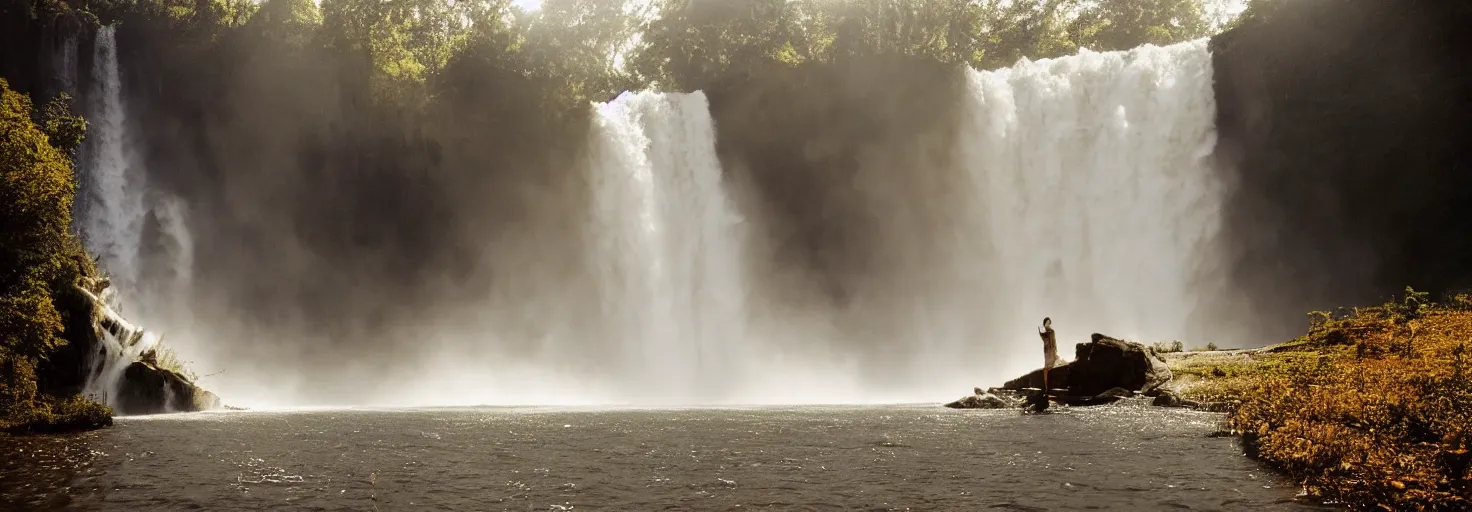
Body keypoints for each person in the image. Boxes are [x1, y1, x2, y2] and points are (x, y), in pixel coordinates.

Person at [1038, 317, 1058, 390]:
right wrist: (1046, 329)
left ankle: (1051, 386)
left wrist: (1055, 348)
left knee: (1053, 365)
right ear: (1044, 322)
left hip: (1052, 349)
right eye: (1047, 322)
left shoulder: (1051, 330)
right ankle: (1047, 387)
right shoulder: (1043, 329)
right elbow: (1043, 335)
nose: (1048, 323)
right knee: (1047, 367)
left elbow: (1054, 340)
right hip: (1048, 349)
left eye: (1049, 322)